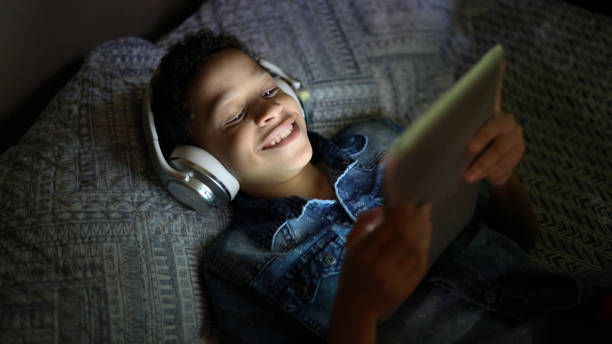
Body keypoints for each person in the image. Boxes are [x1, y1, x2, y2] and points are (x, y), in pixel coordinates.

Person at [151, 29, 612, 343]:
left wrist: (500, 174)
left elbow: (520, 240)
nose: (267, 111)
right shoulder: (237, 264)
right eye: (232, 115)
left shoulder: (383, 138)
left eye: (269, 90)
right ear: (202, 167)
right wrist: (359, 312)